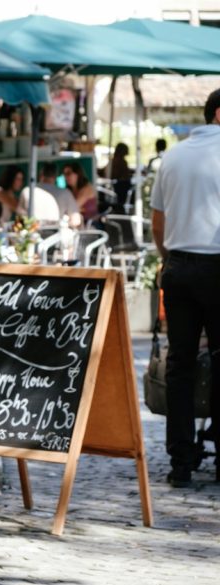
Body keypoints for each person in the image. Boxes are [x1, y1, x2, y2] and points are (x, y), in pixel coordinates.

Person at [149, 89, 220, 488]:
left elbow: (158, 221)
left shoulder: (174, 155)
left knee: (181, 364)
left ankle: (180, 458)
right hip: (217, 267)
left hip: (178, 266)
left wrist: (168, 257)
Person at [19, 162, 81, 227]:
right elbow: (76, 220)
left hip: (33, 233)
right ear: (55, 177)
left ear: (41, 175)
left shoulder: (27, 191)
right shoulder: (65, 193)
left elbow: (20, 218)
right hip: (56, 234)